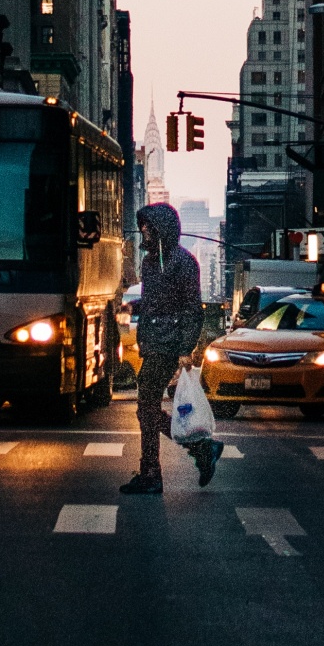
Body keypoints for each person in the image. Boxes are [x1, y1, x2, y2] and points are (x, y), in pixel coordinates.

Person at [121, 201, 217, 493]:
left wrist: (186, 349)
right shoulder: (149, 262)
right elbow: (154, 303)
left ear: (162, 228)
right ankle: (199, 449)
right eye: (143, 227)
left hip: (169, 345)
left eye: (148, 227)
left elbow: (192, 309)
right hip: (152, 343)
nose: (144, 232)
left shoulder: (184, 262)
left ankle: (154, 472)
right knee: (146, 408)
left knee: (146, 408)